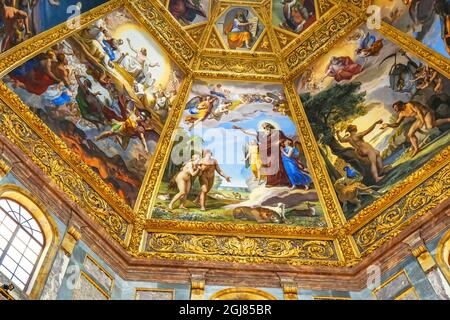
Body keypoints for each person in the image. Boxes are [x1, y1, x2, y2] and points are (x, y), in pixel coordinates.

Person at [381, 100, 450, 157]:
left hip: (427, 113)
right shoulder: (401, 114)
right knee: (410, 134)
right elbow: (396, 124)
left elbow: (419, 112)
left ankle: (448, 119)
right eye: (394, 109)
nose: (395, 110)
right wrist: (388, 125)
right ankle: (417, 148)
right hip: (419, 119)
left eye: (396, 108)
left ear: (400, 105)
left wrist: (423, 122)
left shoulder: (409, 104)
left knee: (430, 126)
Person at [233, 122, 290, 187]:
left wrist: (277, 143)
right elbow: (248, 132)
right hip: (268, 153)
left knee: (278, 165)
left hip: (275, 152)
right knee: (269, 166)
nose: (265, 129)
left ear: (270, 126)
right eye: (264, 128)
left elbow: (284, 139)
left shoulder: (277, 132)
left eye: (266, 127)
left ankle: (282, 181)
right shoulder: (263, 134)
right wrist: (239, 128)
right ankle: (272, 182)